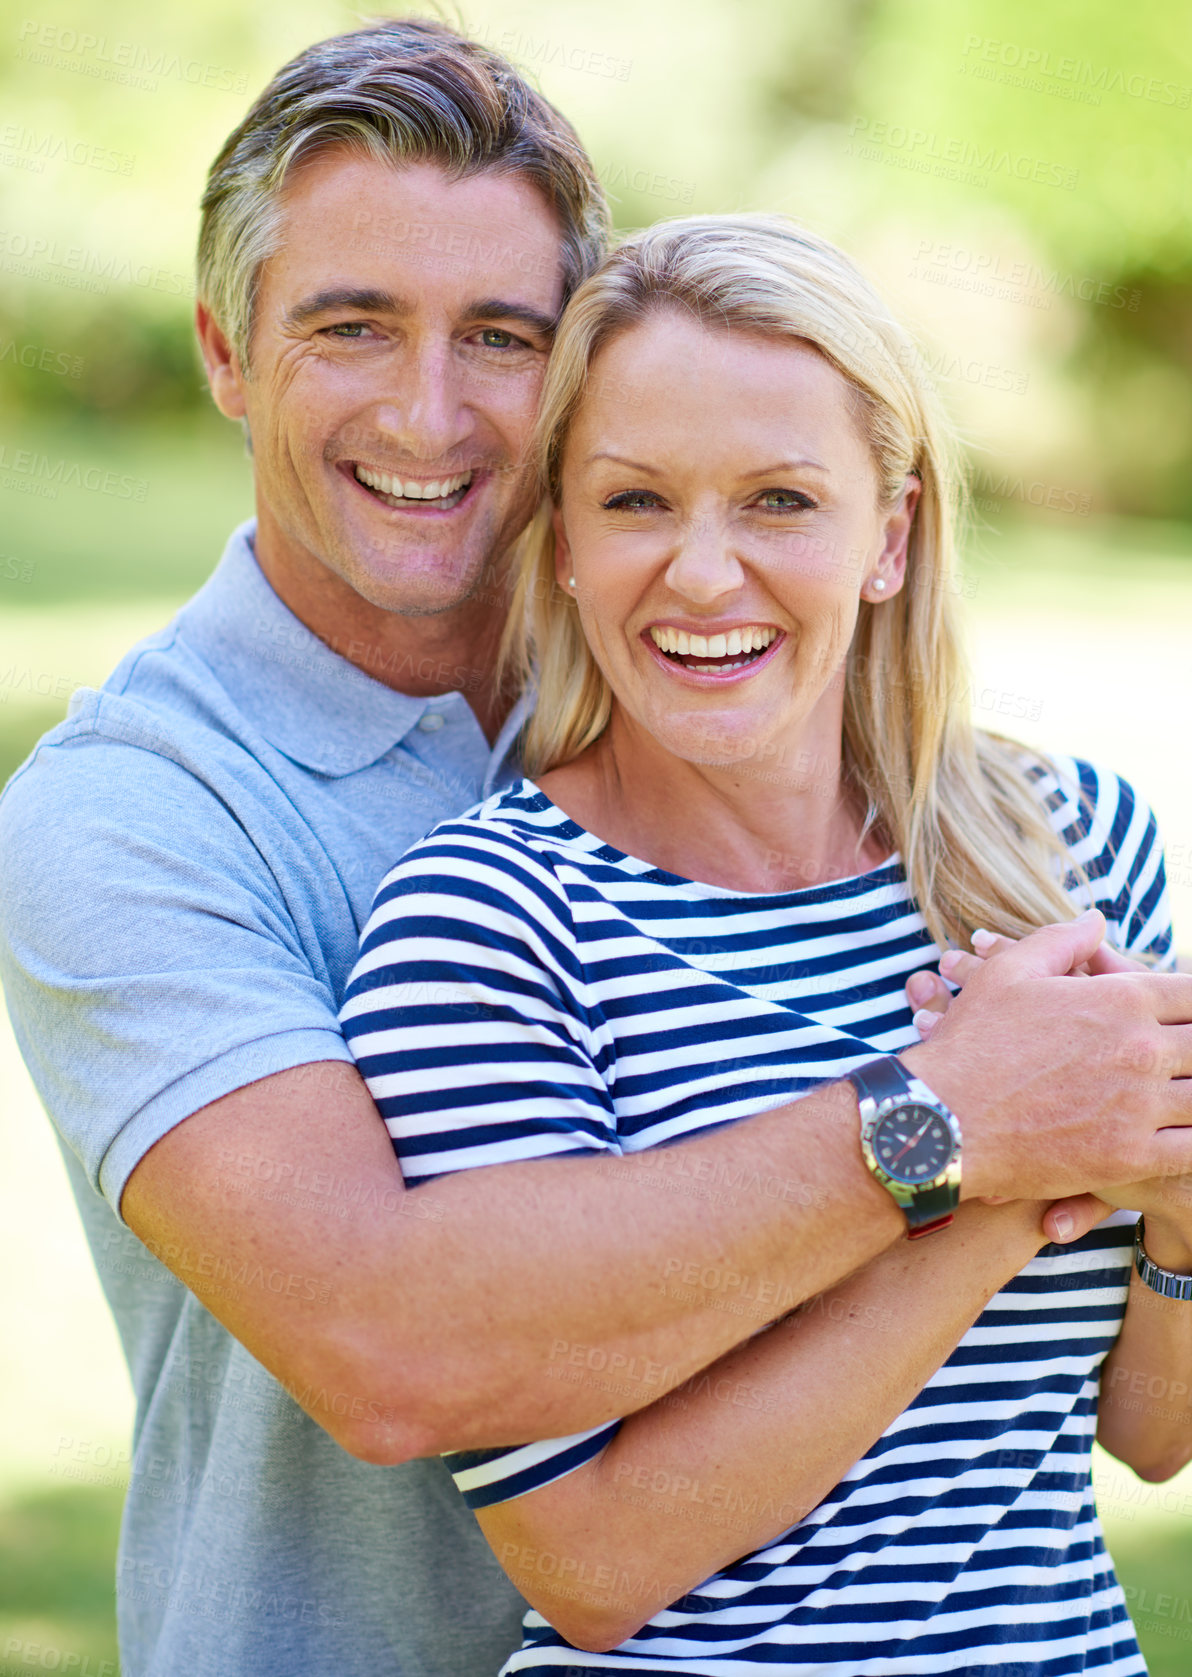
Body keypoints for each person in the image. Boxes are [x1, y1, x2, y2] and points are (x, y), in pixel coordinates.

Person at [0, 19, 1189, 1677]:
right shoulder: (131, 816)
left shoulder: (786, 734)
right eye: (351, 326)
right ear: (222, 349)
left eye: (499, 334)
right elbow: (392, 1345)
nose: (431, 410)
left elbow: (1142, 1409)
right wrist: (970, 1133)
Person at [339, 214, 1192, 1674]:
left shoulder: (1076, 845)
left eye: (781, 500)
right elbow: (595, 1558)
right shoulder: (485, 924)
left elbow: (1153, 1433)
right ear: (565, 536)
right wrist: (988, 1160)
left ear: (892, 534)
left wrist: (1174, 1203)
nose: (704, 574)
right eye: (636, 502)